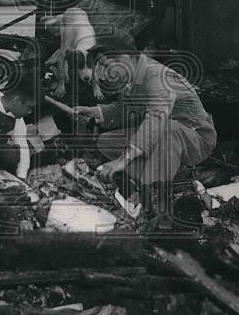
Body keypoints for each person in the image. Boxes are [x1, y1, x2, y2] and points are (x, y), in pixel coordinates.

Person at [73, 29, 217, 222]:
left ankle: (148, 199)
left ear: (125, 57)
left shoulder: (155, 75)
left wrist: (123, 160)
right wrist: (96, 112)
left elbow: (157, 117)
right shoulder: (131, 78)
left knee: (167, 128)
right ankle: (175, 175)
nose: (105, 74)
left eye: (107, 65)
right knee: (106, 142)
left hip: (195, 137)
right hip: (161, 135)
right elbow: (123, 109)